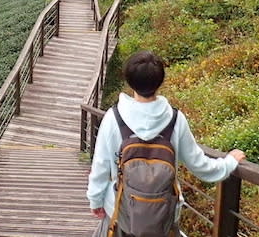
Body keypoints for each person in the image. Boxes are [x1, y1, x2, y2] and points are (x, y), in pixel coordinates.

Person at [86, 50, 246, 236]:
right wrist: (229, 162)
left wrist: (95, 201)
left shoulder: (114, 118)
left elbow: (100, 167)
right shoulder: (175, 120)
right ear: (160, 82)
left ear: (129, 81)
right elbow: (200, 165)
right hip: (164, 215)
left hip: (121, 211)